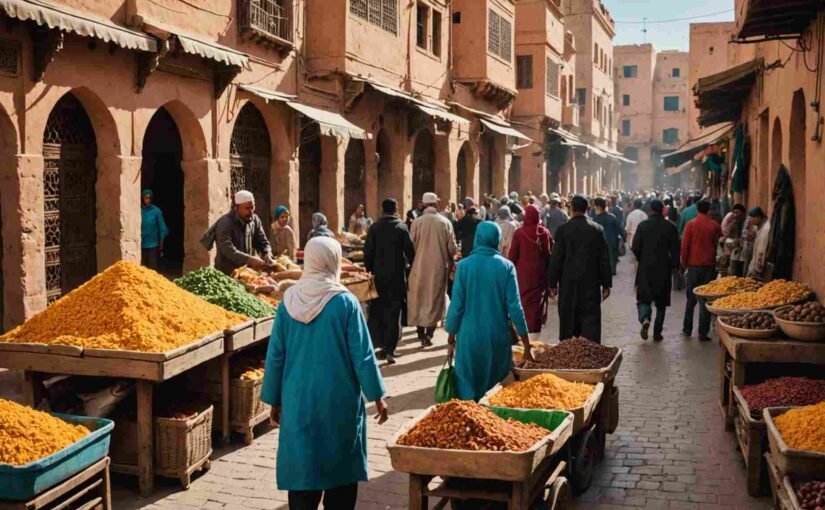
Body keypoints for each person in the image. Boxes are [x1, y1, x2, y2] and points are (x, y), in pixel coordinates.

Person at [261, 237, 388, 510]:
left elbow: (276, 357)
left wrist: (274, 399)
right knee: (340, 477)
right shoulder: (345, 303)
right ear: (332, 260)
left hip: (298, 402)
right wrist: (377, 395)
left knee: (303, 474)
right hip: (338, 404)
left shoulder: (288, 302)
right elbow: (363, 355)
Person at [446, 222, 534, 401]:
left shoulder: (464, 267)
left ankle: (471, 423)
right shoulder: (506, 267)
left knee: (468, 390)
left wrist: (451, 336)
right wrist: (526, 344)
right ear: (497, 240)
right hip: (497, 338)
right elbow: (515, 307)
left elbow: (456, 306)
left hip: (469, 338)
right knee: (495, 394)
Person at [547, 195, 612, 343]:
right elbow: (604, 259)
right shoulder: (597, 229)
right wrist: (606, 284)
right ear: (587, 209)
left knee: (569, 318)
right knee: (590, 319)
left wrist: (552, 283)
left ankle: (569, 351)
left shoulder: (563, 230)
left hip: (568, 283)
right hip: (590, 283)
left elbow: (556, 258)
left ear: (571, 209)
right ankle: (590, 351)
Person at [364, 199, 415, 364]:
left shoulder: (375, 227)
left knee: (378, 310)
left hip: (378, 277)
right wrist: (408, 267)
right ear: (396, 209)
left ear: (382, 209)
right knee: (394, 312)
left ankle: (379, 346)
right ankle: (390, 349)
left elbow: (368, 253)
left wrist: (370, 271)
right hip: (396, 278)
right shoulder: (401, 228)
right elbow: (410, 251)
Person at [407, 192, 458, 347]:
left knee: (419, 299)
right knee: (434, 299)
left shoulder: (417, 222)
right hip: (438, 267)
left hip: (419, 267)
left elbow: (411, 245)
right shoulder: (444, 222)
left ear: (423, 204)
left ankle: (420, 332)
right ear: (437, 204)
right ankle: (429, 333)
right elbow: (452, 247)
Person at [632, 199, 680, 342]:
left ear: (651, 210)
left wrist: (642, 258)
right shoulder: (670, 226)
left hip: (646, 267)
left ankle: (645, 318)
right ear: (662, 210)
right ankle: (657, 333)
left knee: (643, 298)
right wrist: (675, 265)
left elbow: (635, 247)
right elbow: (675, 249)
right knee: (661, 303)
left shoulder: (643, 226)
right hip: (663, 268)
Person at [681, 200, 722, 341]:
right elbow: (718, 244)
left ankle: (687, 329)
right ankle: (702, 333)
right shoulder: (715, 226)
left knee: (690, 299)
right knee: (705, 299)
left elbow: (685, 246)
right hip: (709, 266)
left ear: (698, 209)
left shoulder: (691, 225)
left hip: (693, 265)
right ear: (709, 210)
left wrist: (684, 263)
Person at [508, 205, 552, 338]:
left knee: (523, 302)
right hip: (539, 275)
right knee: (536, 305)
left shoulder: (519, 233)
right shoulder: (544, 232)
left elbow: (512, 256)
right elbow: (549, 255)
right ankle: (534, 334)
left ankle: (522, 333)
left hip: (522, 276)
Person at [212, 190, 273, 275]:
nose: (251, 211)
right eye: (247, 208)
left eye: (252, 207)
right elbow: (228, 249)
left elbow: (262, 241)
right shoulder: (225, 223)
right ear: (236, 208)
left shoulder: (255, 220)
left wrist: (267, 253)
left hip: (247, 272)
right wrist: (249, 259)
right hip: (226, 274)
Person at [592, 197, 624, 276]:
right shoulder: (612, 217)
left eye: (595, 207)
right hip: (613, 242)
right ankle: (612, 269)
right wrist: (623, 237)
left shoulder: (595, 219)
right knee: (612, 256)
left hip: (601, 243)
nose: (594, 208)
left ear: (599, 207)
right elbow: (619, 228)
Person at [140, 189, 168, 271]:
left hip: (153, 244)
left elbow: (162, 228)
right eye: (146, 198)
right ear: (142, 199)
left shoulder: (156, 211)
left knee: (152, 267)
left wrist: (161, 244)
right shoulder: (139, 211)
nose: (148, 200)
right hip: (142, 243)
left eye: (149, 198)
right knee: (143, 268)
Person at [746, 207, 771, 280]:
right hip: (755, 265)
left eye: (753, 218)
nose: (751, 220)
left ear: (759, 217)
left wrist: (757, 268)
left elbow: (762, 250)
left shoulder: (766, 230)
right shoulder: (759, 227)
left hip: (760, 268)